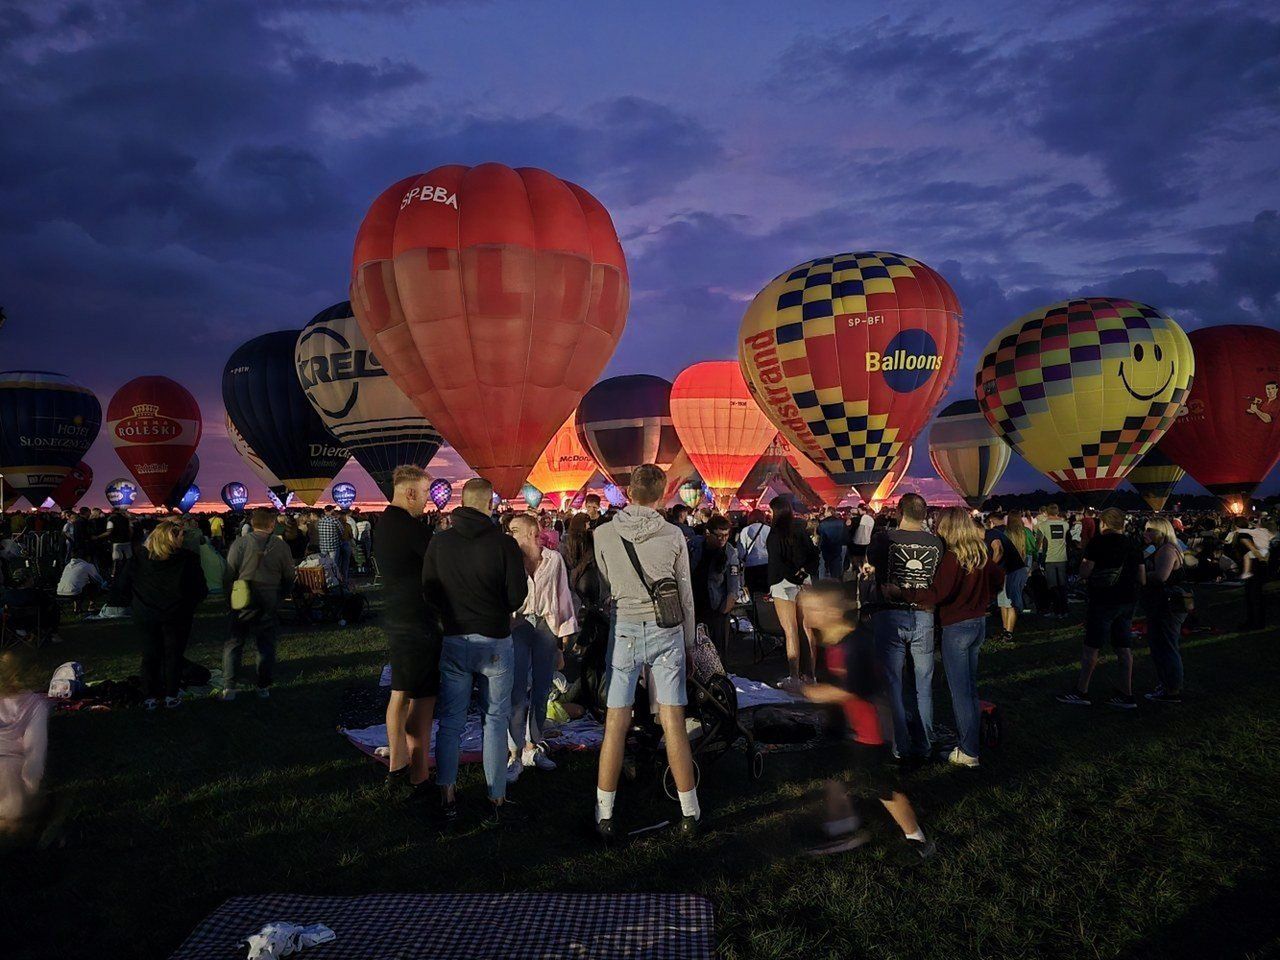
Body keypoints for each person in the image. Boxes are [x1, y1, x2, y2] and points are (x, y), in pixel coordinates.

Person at [592, 463, 700, 840]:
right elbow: (685, 596)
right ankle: (689, 811)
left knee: (615, 724)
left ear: (628, 492)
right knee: (673, 721)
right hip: (666, 631)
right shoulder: (672, 534)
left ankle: (605, 814)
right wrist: (689, 643)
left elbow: (606, 585)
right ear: (663, 493)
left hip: (624, 629)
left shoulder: (603, 534)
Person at [797, 583, 935, 861]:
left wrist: (809, 692)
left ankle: (917, 838)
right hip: (844, 725)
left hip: (868, 730)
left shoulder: (855, 643)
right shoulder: (830, 640)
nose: (807, 616)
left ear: (833, 611)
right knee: (832, 772)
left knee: (882, 786)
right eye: (805, 610)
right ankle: (842, 827)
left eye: (813, 610)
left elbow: (852, 690)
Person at [423, 478, 529, 825]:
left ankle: (447, 793)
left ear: (462, 502)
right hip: (494, 639)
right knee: (494, 719)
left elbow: (429, 591)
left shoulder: (440, 542)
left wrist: (450, 615)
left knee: (451, 720)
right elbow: (517, 596)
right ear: (489, 505)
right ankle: (496, 795)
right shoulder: (504, 544)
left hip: (455, 637)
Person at [885, 508, 1003, 767]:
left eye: (939, 525)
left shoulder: (952, 557)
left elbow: (938, 593)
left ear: (948, 528)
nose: (936, 529)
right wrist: (984, 598)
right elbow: (998, 578)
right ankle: (970, 742)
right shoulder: (980, 553)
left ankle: (969, 751)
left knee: (960, 692)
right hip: (978, 623)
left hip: (957, 626)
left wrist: (903, 593)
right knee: (969, 688)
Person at [372, 466, 439, 801]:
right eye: (425, 493)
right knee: (422, 699)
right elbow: (438, 565)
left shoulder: (384, 523)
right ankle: (418, 775)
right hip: (418, 621)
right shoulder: (411, 528)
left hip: (397, 616)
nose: (427, 501)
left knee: (399, 692)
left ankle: (397, 766)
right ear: (410, 492)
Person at [867, 493, 943, 762]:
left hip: (890, 614)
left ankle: (901, 745)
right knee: (923, 683)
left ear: (899, 511)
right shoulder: (936, 543)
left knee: (894, 683)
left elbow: (872, 560)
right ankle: (924, 743)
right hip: (924, 615)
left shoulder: (884, 539)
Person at [506, 514, 577, 781]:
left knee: (542, 688)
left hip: (546, 626)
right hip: (518, 624)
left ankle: (532, 745)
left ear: (530, 533)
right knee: (516, 689)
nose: (510, 535)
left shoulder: (553, 559)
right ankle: (513, 752)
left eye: (514, 530)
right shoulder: (510, 560)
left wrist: (563, 638)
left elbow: (562, 595)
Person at [1056, 508, 1145, 709]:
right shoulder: (1133, 543)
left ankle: (1082, 690)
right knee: (1124, 647)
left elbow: (1085, 571)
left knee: (1092, 647)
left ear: (1103, 523)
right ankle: (1127, 693)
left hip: (1103, 599)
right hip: (1127, 600)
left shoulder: (1098, 542)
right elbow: (1142, 577)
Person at [131, 519, 208, 710]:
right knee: (173, 654)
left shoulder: (140, 557)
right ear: (171, 537)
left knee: (150, 654)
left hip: (146, 613)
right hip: (176, 614)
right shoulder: (187, 559)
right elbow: (199, 588)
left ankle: (149, 694)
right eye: (181, 535)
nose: (183, 539)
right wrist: (190, 603)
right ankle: (170, 694)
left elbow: (124, 582)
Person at [221, 508, 296, 701]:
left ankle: (229, 686)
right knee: (265, 644)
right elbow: (289, 575)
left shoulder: (240, 543)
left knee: (234, 642)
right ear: (271, 524)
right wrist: (281, 596)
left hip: (242, 597)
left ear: (253, 523)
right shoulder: (281, 546)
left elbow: (229, 573)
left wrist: (229, 597)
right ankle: (263, 685)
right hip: (269, 597)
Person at [766, 495, 820, 689]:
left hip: (783, 583)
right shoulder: (800, 529)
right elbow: (814, 554)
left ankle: (794, 677)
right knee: (807, 629)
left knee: (790, 630)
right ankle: (811, 676)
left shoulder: (774, 534)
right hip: (804, 582)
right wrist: (802, 573)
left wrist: (790, 576)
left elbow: (777, 562)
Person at [1142, 517, 1189, 704]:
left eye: (1150, 530)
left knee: (1166, 646)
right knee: (1161, 645)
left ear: (1161, 531)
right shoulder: (1162, 548)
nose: (1145, 533)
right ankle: (1167, 685)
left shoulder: (1166, 550)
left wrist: (1141, 575)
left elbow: (1161, 576)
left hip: (1168, 604)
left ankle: (1172, 689)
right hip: (1164, 603)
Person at [689, 514, 743, 657]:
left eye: (726, 535)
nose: (722, 539)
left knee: (717, 652)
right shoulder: (695, 545)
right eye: (718, 536)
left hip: (716, 606)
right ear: (708, 533)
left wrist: (722, 613)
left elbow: (733, 588)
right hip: (694, 604)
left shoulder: (730, 553)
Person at [985, 513, 1027, 642]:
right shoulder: (1020, 532)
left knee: (1007, 602)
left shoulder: (997, 533)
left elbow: (998, 550)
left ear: (991, 521)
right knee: (1005, 602)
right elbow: (1025, 550)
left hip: (1009, 570)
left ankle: (1008, 632)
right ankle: (1006, 631)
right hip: (1011, 568)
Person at [1034, 504, 1071, 618]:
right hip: (1062, 558)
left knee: (1052, 586)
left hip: (1049, 558)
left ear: (1047, 513)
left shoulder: (1043, 525)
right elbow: (1068, 540)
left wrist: (1035, 554)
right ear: (1057, 512)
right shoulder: (1065, 524)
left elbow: (1038, 541)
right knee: (1062, 585)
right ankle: (1064, 610)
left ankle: (1056, 610)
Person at [736, 509, 771, 595]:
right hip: (767, 565)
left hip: (750, 565)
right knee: (766, 592)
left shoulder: (745, 530)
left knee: (752, 591)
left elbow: (741, 552)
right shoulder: (769, 529)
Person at [817, 508, 845, 580]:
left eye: (826, 512)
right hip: (837, 545)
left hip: (826, 546)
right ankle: (835, 578)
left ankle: (824, 580)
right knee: (836, 563)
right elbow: (845, 533)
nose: (824, 513)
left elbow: (818, 532)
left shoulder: (823, 523)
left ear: (829, 512)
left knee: (825, 563)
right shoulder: (841, 522)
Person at [846, 504, 875, 573]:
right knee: (864, 558)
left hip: (857, 541)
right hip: (867, 541)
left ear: (859, 509)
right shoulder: (872, 520)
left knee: (855, 558)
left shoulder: (858, 519)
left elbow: (850, 528)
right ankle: (866, 571)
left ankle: (860, 570)